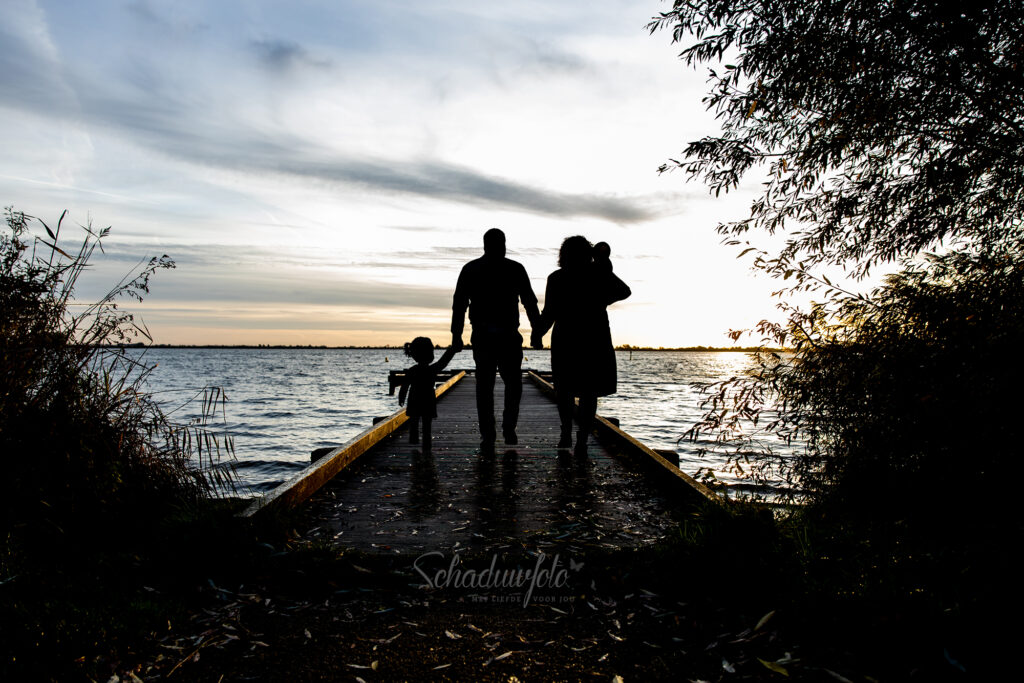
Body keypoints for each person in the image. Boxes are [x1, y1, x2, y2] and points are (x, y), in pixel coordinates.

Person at [531, 236, 631, 454]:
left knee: (565, 390)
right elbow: (623, 291)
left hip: (567, 338)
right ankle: (581, 438)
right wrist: (604, 271)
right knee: (588, 392)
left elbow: (549, 312)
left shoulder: (557, 278)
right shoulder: (597, 274)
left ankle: (567, 432)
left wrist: (537, 334)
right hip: (594, 338)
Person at [451, 228, 541, 450]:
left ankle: (500, 430)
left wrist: (537, 330)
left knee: (499, 385)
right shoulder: (482, 269)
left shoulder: (482, 269)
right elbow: (459, 304)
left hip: (502, 336)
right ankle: (494, 432)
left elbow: (529, 301)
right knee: (495, 385)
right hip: (488, 336)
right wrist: (456, 334)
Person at [398, 337, 459, 453]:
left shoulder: (413, 370)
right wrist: (451, 350)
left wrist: (401, 397)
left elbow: (405, 386)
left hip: (414, 400)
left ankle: (414, 440)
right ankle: (426, 444)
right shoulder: (432, 369)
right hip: (427, 400)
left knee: (414, 421)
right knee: (426, 425)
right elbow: (444, 361)